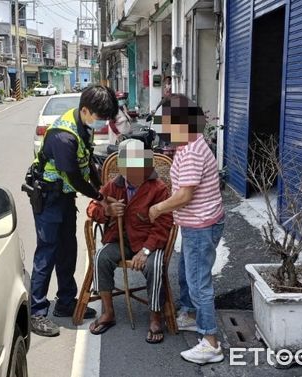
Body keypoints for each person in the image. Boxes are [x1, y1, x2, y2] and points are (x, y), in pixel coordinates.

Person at [29, 85, 119, 337]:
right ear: (86, 110)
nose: (100, 122)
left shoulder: (83, 126)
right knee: (47, 252)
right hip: (48, 197)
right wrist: (101, 198)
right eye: (99, 116)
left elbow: (87, 162)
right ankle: (37, 312)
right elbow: (75, 177)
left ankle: (66, 302)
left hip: (65, 197)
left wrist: (102, 186)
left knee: (68, 249)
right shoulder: (62, 136)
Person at [148, 94, 225, 364]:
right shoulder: (191, 142)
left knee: (199, 283)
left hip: (200, 226)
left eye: (165, 124)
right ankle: (191, 316)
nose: (163, 130)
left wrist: (158, 208)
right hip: (201, 222)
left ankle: (210, 342)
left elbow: (184, 196)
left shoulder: (191, 151)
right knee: (187, 272)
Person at [86, 139, 173, 343]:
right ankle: (108, 312)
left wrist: (146, 250)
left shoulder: (157, 188)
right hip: (120, 241)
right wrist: (107, 211)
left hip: (147, 243)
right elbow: (92, 208)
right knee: (100, 257)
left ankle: (155, 316)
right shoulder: (113, 185)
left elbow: (164, 224)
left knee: (155, 266)